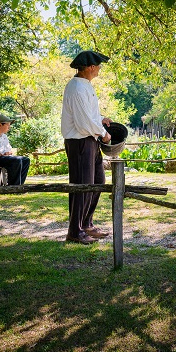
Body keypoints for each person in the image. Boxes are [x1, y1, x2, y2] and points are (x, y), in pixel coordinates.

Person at [61, 50, 112, 245]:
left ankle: (86, 224)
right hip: (80, 142)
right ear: (90, 67)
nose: (99, 69)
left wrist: (100, 120)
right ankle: (75, 231)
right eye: (98, 66)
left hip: (89, 140)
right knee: (82, 186)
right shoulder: (76, 88)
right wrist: (104, 133)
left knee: (97, 181)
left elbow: (87, 117)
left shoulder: (85, 86)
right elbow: (82, 123)